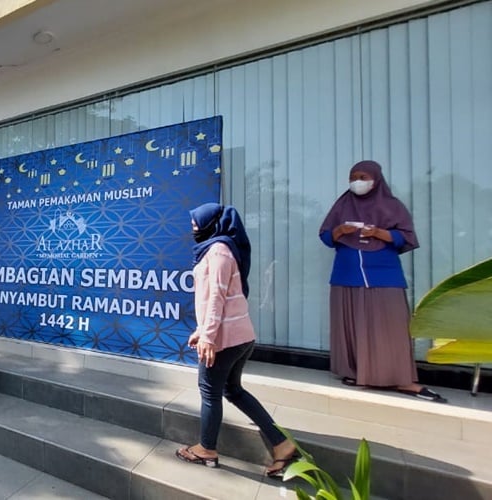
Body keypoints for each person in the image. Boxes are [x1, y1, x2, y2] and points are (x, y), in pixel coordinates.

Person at [175, 202, 299, 477]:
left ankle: (206, 448)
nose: (193, 227)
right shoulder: (221, 248)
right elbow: (223, 298)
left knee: (209, 391)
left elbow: (218, 295)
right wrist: (201, 330)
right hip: (238, 335)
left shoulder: (218, 251)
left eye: (197, 222)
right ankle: (281, 443)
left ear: (212, 222)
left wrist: (208, 336)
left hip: (226, 339)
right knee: (233, 390)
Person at [319, 160, 446, 403]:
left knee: (390, 327)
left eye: (363, 176)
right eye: (353, 176)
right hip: (347, 274)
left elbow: (406, 237)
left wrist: (378, 233)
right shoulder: (342, 204)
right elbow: (326, 236)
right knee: (354, 326)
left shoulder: (392, 206)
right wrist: (340, 231)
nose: (357, 181)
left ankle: (403, 380)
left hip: (384, 275)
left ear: (376, 179)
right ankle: (358, 373)